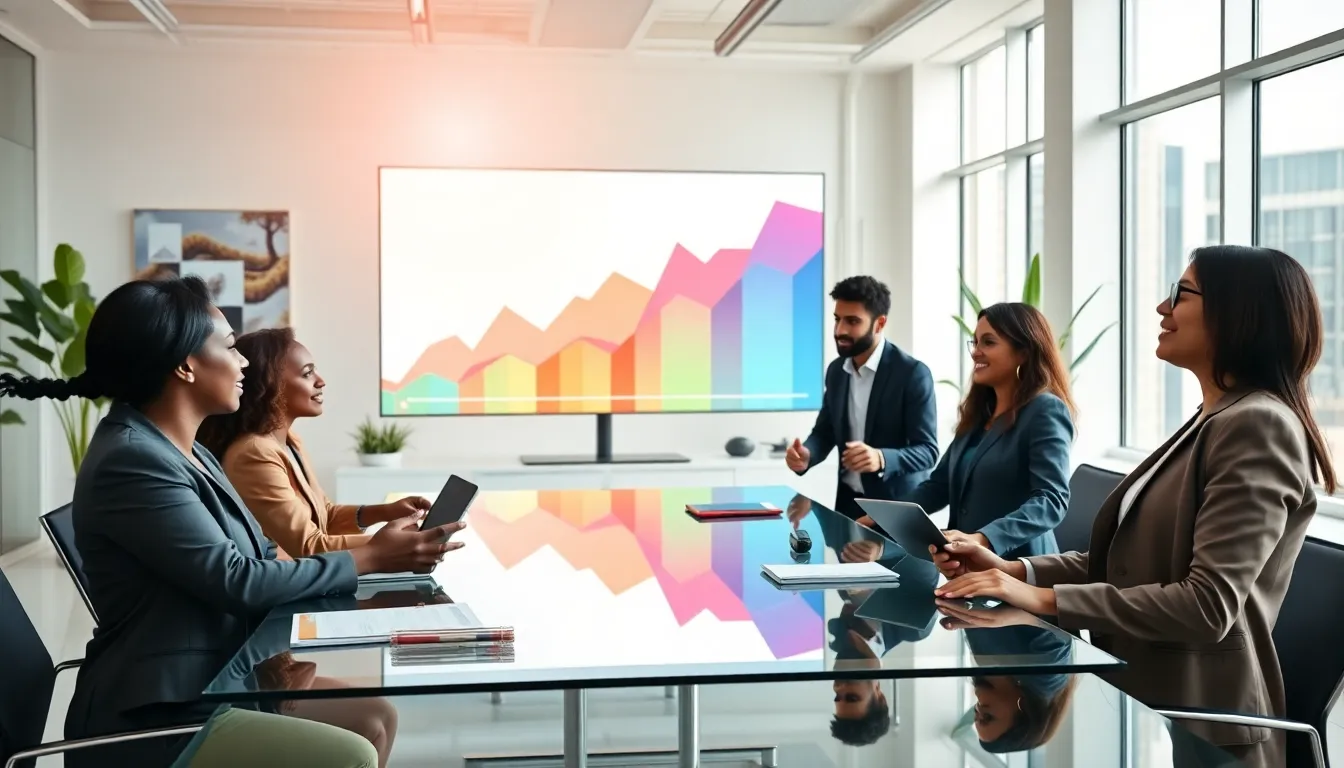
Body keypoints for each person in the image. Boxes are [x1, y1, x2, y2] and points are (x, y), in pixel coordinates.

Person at [0, 276, 463, 768]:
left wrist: (371, 559)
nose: (243, 361)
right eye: (228, 347)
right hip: (162, 715)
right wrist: (370, 555)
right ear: (184, 365)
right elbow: (236, 579)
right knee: (350, 754)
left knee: (374, 716)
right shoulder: (133, 461)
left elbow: (260, 555)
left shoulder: (189, 450)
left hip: (215, 675)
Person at [932, 246, 1334, 767]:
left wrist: (1038, 600)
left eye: (1180, 294)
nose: (1162, 309)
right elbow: (1130, 566)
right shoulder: (1212, 420)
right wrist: (1013, 569)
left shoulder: (1256, 425)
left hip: (1206, 727)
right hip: (1148, 697)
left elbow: (1206, 606)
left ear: (1239, 312)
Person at [862, 303, 1075, 562]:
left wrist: (984, 538)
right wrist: (886, 517)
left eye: (988, 342)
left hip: (1019, 567)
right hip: (967, 565)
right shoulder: (980, 413)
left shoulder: (1045, 409)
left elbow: (1051, 500)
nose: (976, 352)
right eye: (975, 342)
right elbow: (939, 486)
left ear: (1023, 353)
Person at [197, 328, 428, 559]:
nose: (321, 381)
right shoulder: (255, 453)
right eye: (307, 374)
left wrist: (387, 511)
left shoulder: (290, 442)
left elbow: (325, 515)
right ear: (270, 385)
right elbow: (309, 546)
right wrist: (390, 544)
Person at [786, 276, 939, 520]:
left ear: (879, 324)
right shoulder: (837, 371)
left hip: (895, 513)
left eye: (852, 321)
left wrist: (881, 458)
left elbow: (928, 452)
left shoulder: (912, 374)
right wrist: (807, 455)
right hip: (847, 506)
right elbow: (825, 432)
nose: (840, 330)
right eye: (837, 319)